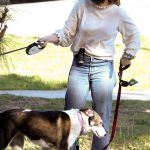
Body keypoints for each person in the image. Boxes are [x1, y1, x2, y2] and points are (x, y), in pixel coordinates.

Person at [38, 0, 140, 149]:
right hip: (80, 65)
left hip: (104, 67)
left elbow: (134, 35)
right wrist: (48, 38)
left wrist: (128, 55)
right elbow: (67, 35)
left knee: (102, 116)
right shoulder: (81, 5)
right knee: (70, 116)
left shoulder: (117, 12)